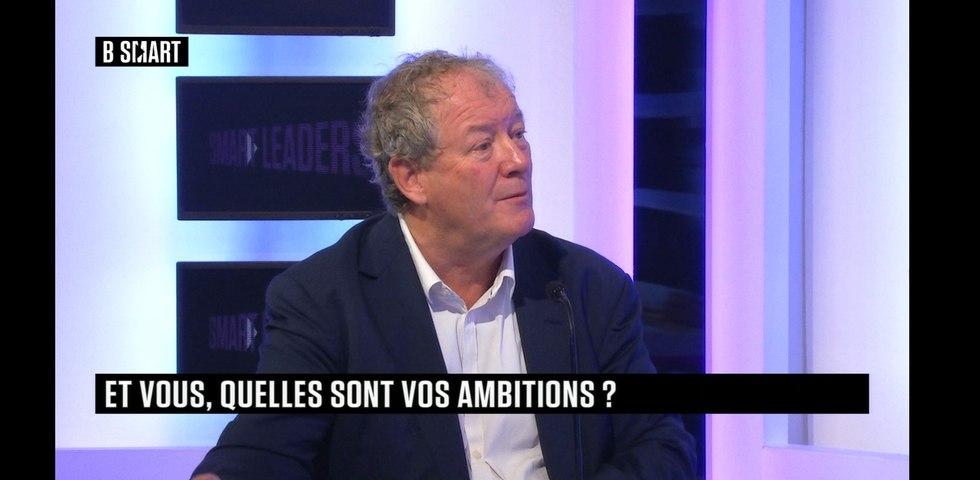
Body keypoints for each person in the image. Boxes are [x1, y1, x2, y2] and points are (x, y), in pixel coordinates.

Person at [192, 50, 696, 480]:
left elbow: (660, 446)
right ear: (411, 178)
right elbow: (264, 448)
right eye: (483, 145)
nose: (517, 159)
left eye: (518, 133)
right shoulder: (324, 299)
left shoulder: (586, 287)